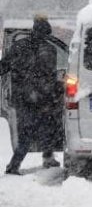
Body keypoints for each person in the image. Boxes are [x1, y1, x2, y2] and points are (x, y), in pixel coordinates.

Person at [0, 15, 62, 174]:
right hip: (43, 99)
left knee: (26, 133)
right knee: (48, 128)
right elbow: (51, 76)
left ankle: (15, 165)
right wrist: (55, 92)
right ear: (47, 33)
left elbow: (3, 66)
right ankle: (47, 159)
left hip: (23, 98)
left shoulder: (18, 46)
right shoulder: (50, 49)